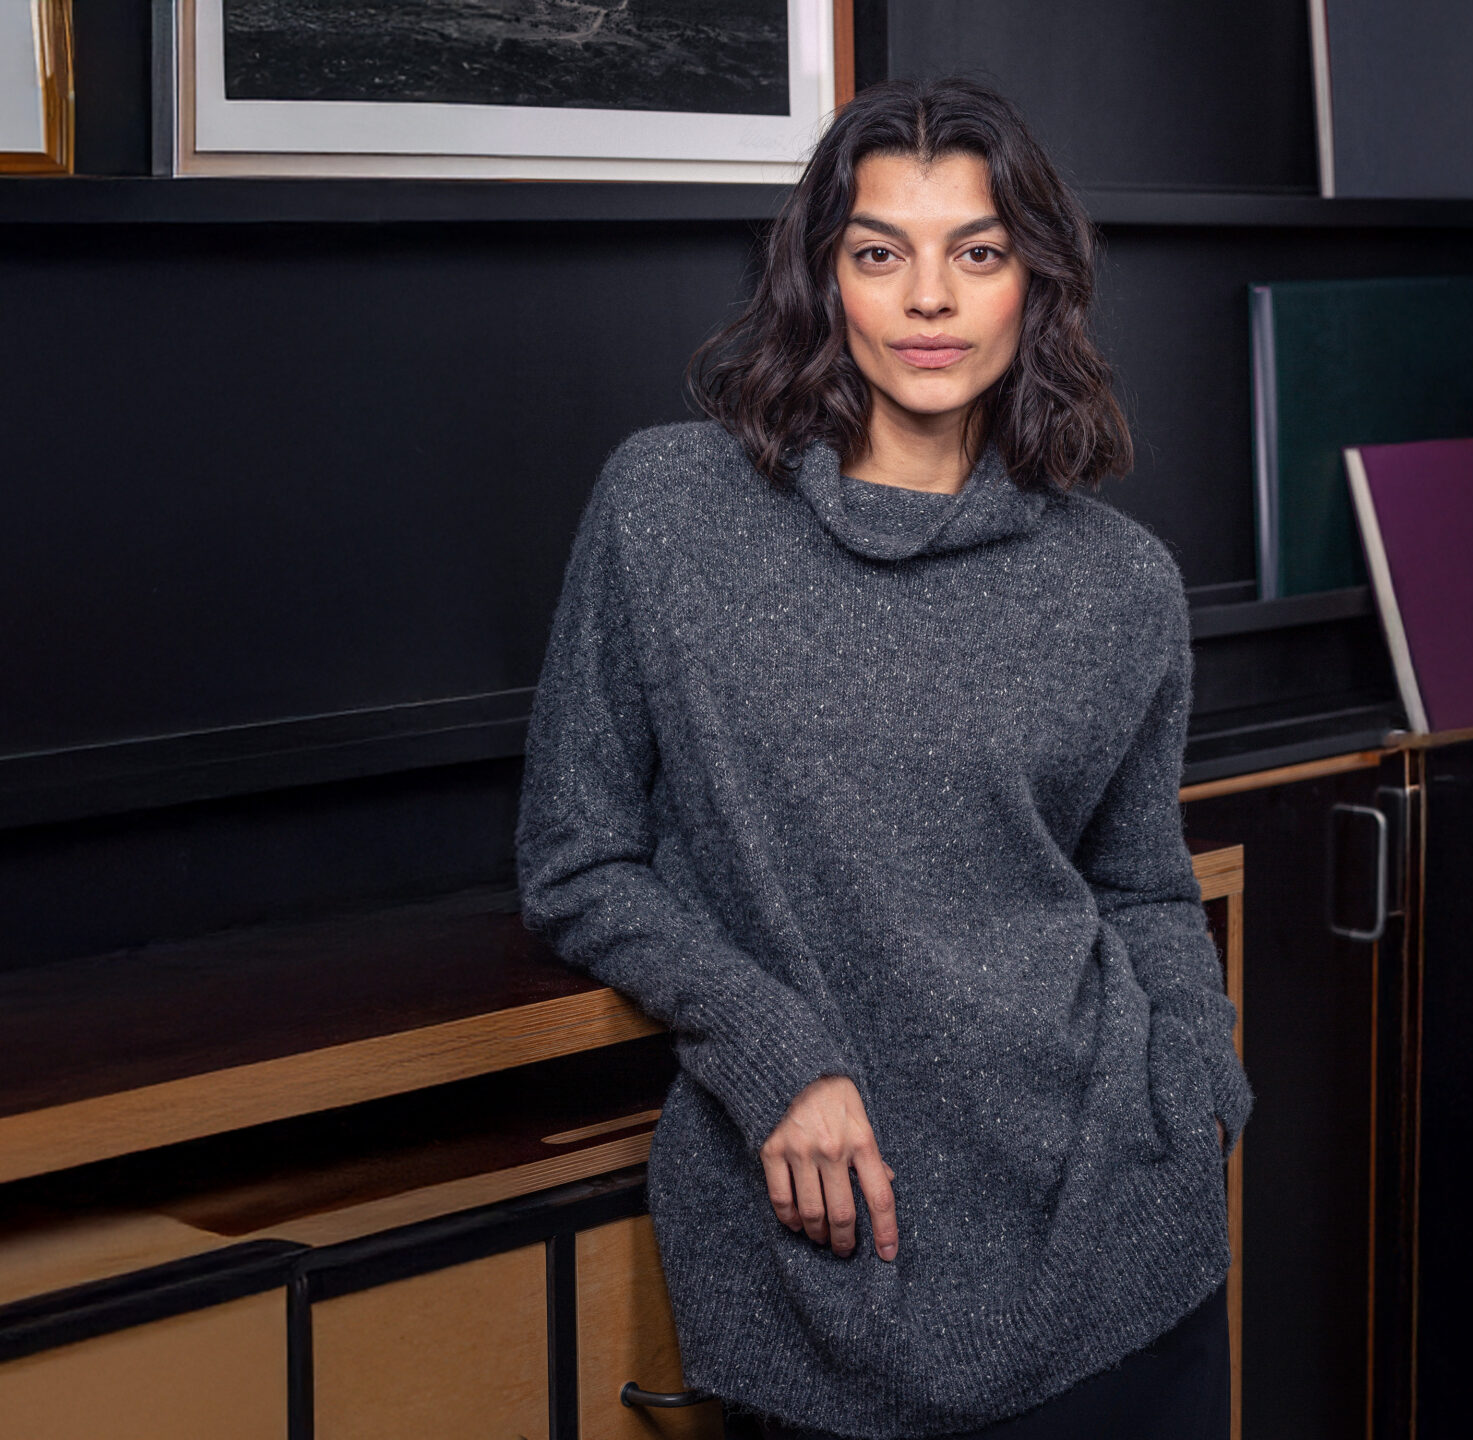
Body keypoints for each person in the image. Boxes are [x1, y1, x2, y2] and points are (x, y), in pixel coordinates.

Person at [514, 76, 1250, 1440]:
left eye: (976, 252)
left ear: (1034, 282)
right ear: (822, 277)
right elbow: (578, 859)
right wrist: (772, 1049)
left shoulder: (1118, 584)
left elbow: (1141, 887)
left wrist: (1201, 1094)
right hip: (829, 1232)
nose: (929, 299)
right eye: (879, 252)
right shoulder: (670, 514)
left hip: (1116, 1228)